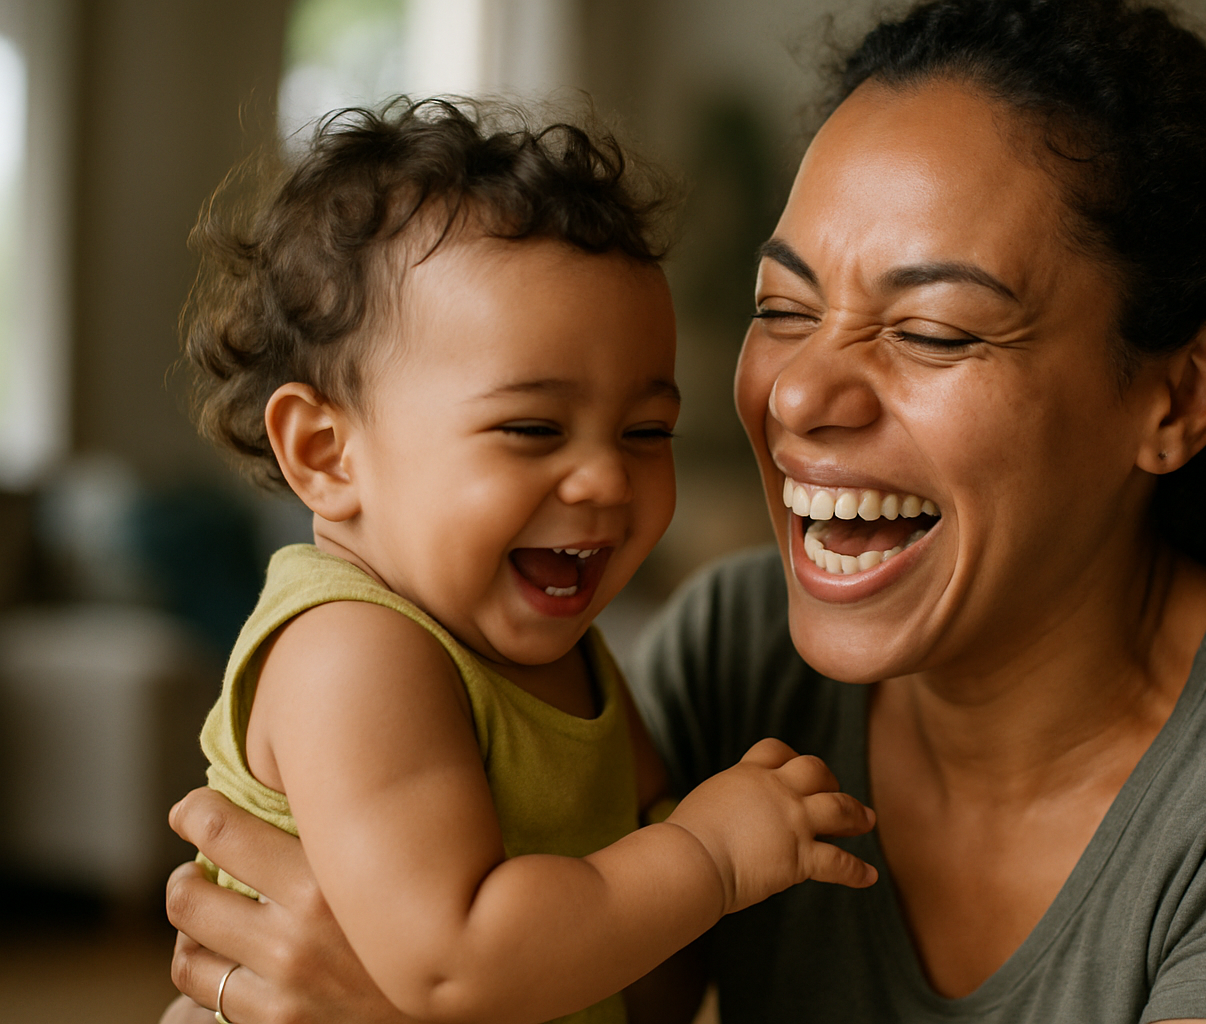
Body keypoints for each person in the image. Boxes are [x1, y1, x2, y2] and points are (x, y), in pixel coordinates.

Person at [163, 2, 1206, 1022]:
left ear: (1176, 394)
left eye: (929, 329)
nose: (801, 391)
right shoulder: (742, 652)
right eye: (782, 311)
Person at [161, 99, 877, 1024]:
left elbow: (642, 971)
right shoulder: (353, 654)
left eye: (645, 431)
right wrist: (710, 856)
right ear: (325, 453)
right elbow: (457, 964)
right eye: (532, 428)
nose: (606, 480)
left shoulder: (569, 656)